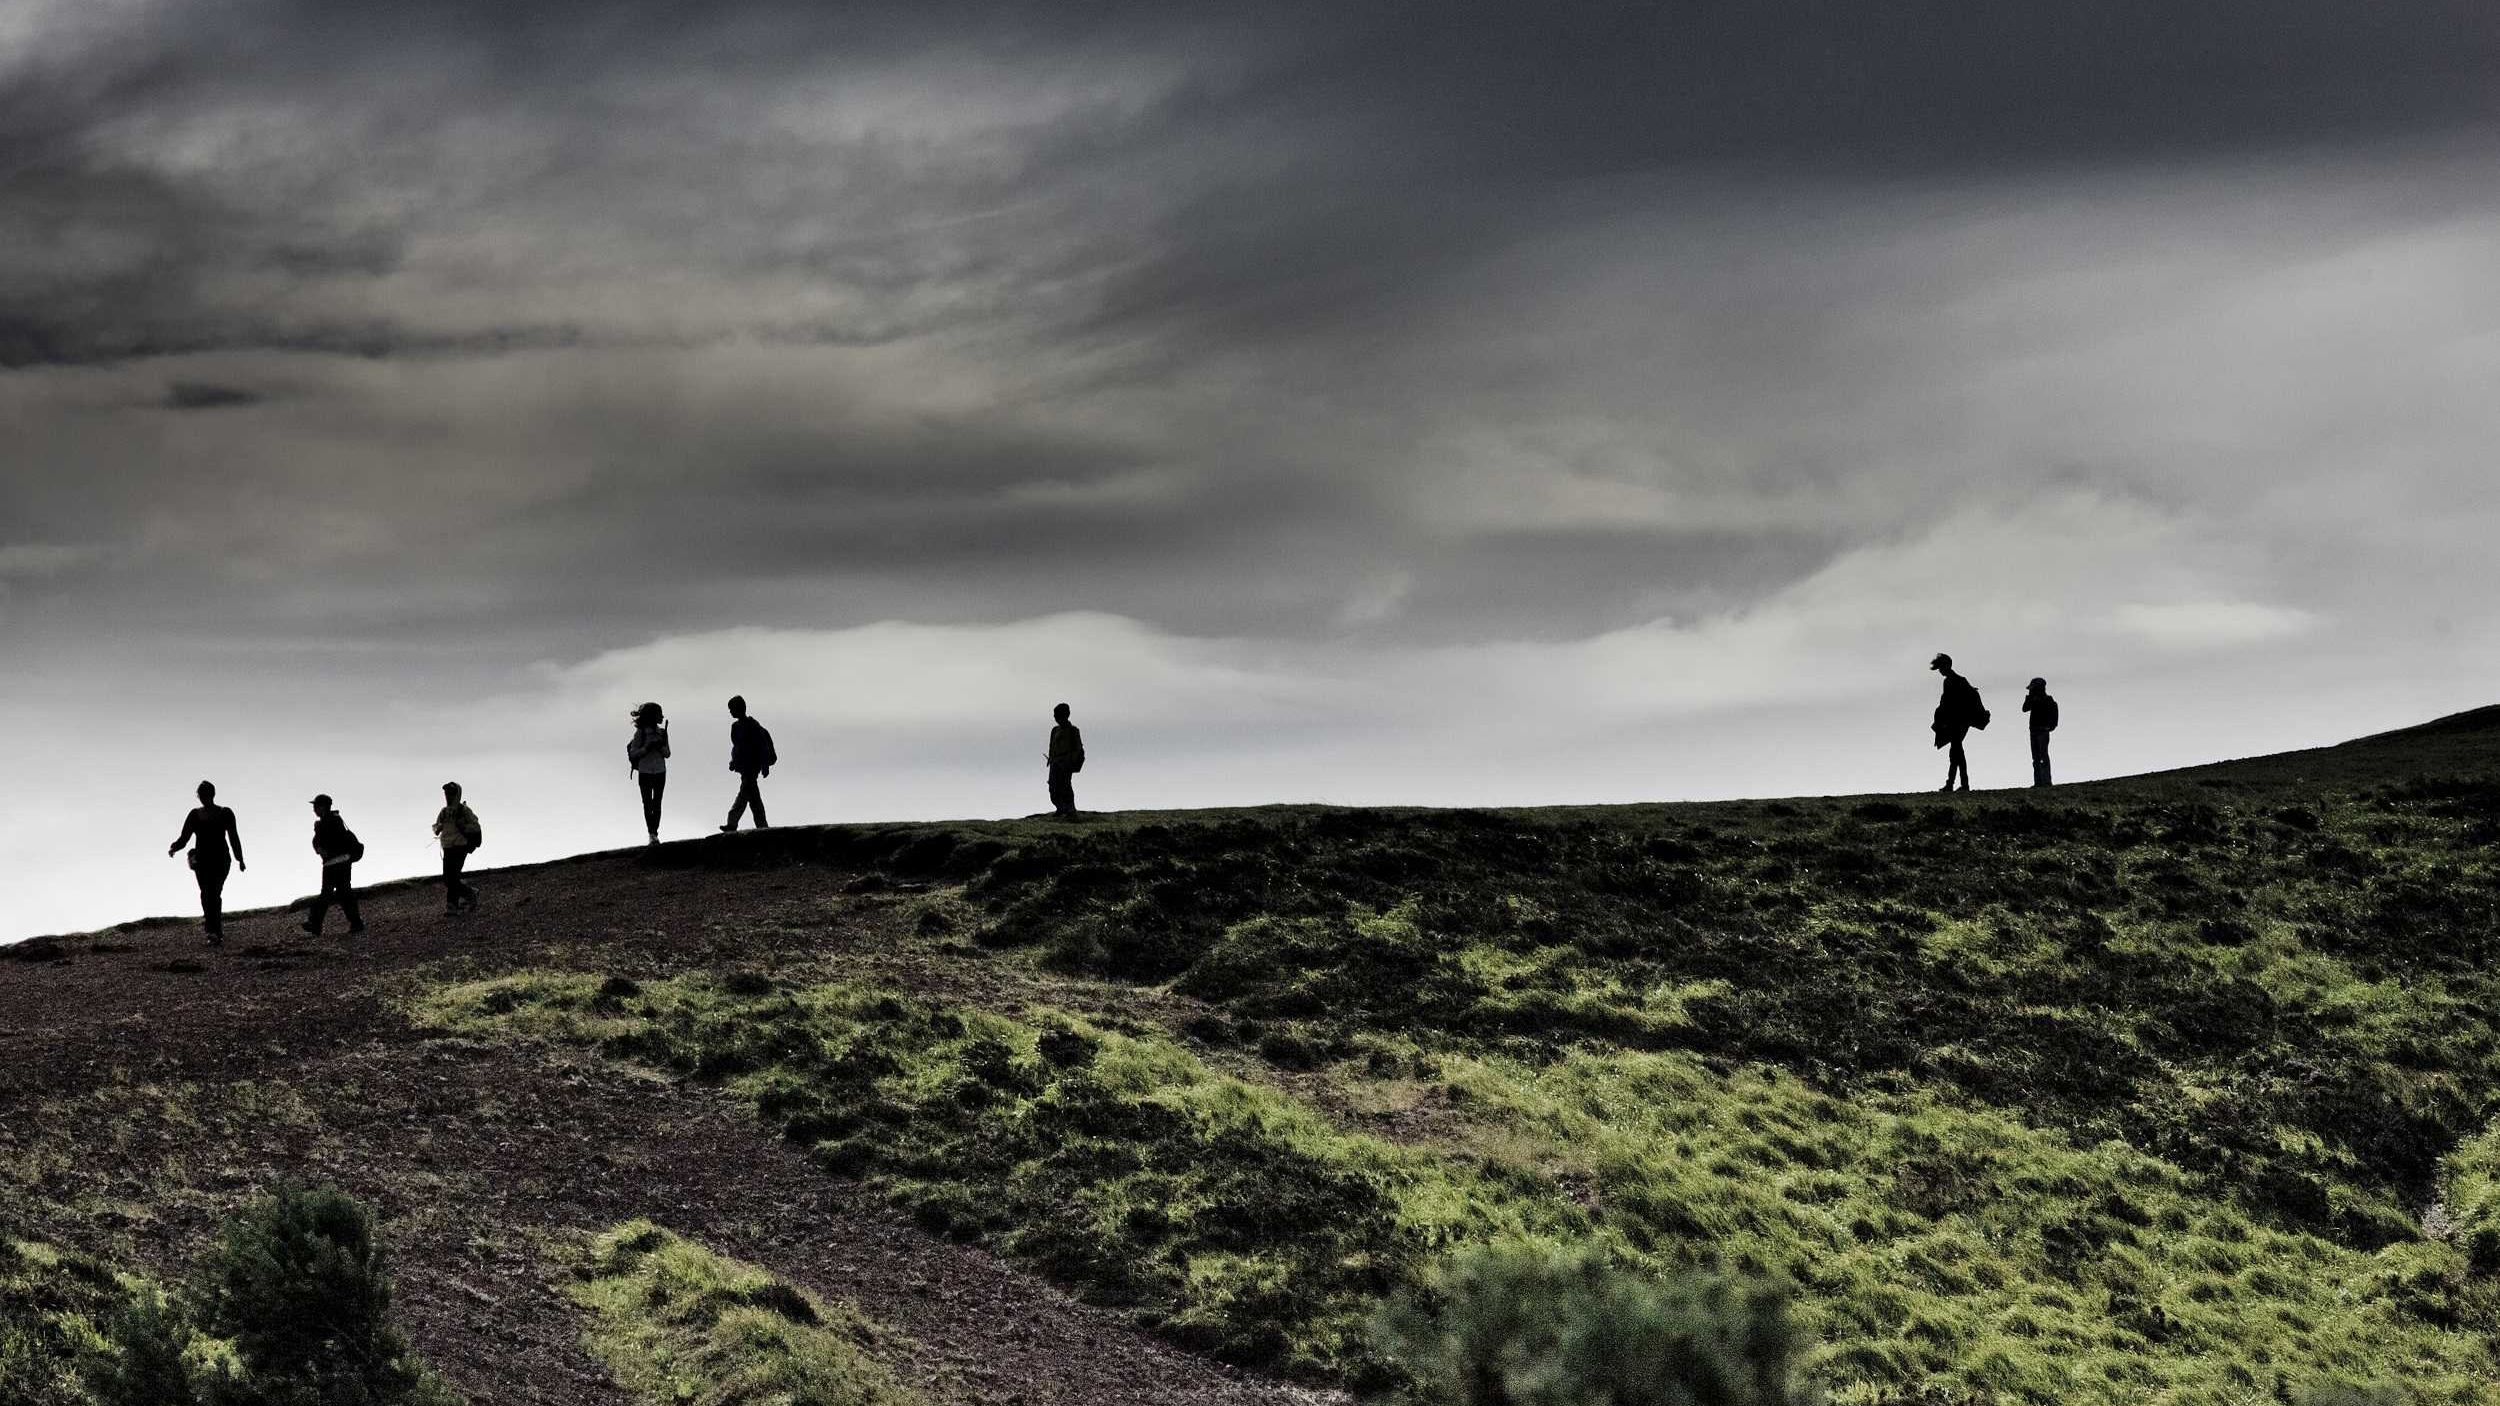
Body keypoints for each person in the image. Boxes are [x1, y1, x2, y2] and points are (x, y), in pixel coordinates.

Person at [167, 781, 245, 945]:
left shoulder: (222, 813)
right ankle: (213, 931)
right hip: (206, 861)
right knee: (209, 894)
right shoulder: (198, 815)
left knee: (211, 893)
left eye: (203, 795)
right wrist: (175, 847)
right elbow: (185, 837)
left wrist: (240, 858)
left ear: (208, 795)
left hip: (217, 860)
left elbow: (233, 837)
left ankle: (214, 931)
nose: (203, 798)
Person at [302, 793, 365, 936]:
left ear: (322, 807)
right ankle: (356, 923)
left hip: (333, 864)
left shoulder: (325, 823)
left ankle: (315, 924)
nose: (314, 810)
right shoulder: (336, 820)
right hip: (343, 861)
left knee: (328, 894)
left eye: (315, 806)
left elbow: (319, 842)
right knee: (343, 893)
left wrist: (319, 846)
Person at [1929, 653, 1988, 793]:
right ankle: (1955, 784)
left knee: (1956, 753)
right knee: (1956, 752)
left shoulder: (1950, 681)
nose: (1940, 671)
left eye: (1941, 668)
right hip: (1962, 721)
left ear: (1947, 665)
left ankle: (1959, 784)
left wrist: (1942, 721)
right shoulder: (1960, 680)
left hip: (1957, 722)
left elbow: (1947, 704)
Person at [722, 694, 774, 832]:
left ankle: (732, 822)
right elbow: (737, 747)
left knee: (744, 794)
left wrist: (764, 766)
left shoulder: (752, 725)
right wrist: (734, 761)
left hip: (752, 766)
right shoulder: (735, 727)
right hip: (744, 766)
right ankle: (762, 825)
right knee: (753, 797)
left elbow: (762, 746)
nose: (730, 712)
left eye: (732, 709)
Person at [432, 781, 483, 915]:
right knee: (448, 878)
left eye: (450, 793)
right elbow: (435, 826)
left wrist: (463, 826)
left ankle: (452, 906)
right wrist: (439, 828)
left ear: (457, 794)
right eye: (446, 793)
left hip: (460, 846)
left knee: (452, 877)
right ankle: (469, 893)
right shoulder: (444, 811)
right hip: (447, 847)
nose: (448, 796)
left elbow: (476, 826)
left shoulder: (463, 810)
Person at [628, 701, 670, 844]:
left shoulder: (663, 732)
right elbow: (633, 753)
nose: (662, 717)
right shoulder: (640, 733)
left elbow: (667, 753)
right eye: (659, 714)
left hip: (660, 771)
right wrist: (647, 747)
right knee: (647, 803)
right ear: (652, 716)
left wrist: (659, 746)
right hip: (645, 772)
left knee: (657, 803)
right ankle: (651, 833)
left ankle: (654, 833)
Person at [1046, 702, 1084, 820]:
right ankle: (1061, 808)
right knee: (1053, 786)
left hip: (1065, 763)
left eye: (1056, 715)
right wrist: (1051, 759)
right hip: (1055, 763)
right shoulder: (1054, 730)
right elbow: (1052, 745)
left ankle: (1070, 810)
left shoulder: (1073, 730)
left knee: (1065, 786)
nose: (1054, 717)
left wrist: (1070, 762)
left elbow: (1077, 748)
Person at [2023, 678, 2060, 788]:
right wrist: (2029, 697)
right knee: (2036, 758)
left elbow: (2054, 716)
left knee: (2043, 756)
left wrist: (2049, 727)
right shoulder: (2034, 700)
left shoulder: (2048, 700)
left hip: (2042, 731)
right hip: (2034, 731)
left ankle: (2046, 781)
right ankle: (2039, 782)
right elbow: (2024, 708)